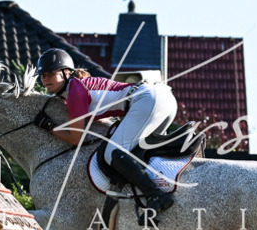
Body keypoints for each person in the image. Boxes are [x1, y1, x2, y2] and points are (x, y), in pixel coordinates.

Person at [35, 48, 176, 212]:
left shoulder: (74, 91)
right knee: (142, 152)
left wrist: (50, 127)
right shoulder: (77, 87)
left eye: (50, 73)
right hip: (163, 97)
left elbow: (76, 139)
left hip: (147, 100)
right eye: (42, 75)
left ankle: (155, 195)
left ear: (66, 72)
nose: (45, 79)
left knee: (112, 153)